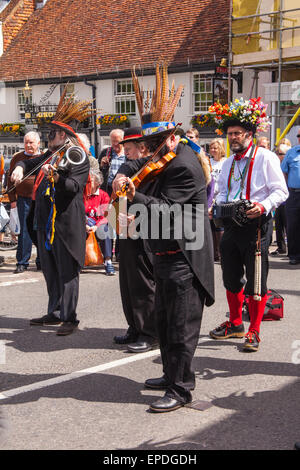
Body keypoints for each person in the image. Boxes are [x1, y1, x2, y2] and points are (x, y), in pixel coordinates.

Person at [113, 63, 214, 412]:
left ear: (174, 137)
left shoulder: (183, 165)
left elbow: (168, 209)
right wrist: (127, 175)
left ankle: (181, 388)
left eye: (157, 143)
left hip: (184, 255)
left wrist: (134, 197)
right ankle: (170, 374)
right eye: (148, 144)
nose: (151, 150)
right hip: (164, 251)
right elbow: (134, 165)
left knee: (181, 325)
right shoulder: (162, 159)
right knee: (164, 320)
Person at [208, 97, 288, 352]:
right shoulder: (227, 163)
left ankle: (253, 330)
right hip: (231, 225)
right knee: (230, 276)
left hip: (256, 226)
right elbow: (222, 192)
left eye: (237, 133)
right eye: (229, 134)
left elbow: (280, 191)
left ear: (250, 134)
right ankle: (234, 323)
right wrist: (216, 207)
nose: (232, 138)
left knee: (255, 281)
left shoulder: (266, 158)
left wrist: (262, 206)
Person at [10, 90, 92, 336]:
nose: (48, 137)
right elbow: (30, 161)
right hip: (45, 223)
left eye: (52, 133)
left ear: (63, 135)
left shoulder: (77, 157)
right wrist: (19, 167)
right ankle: (54, 312)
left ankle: (70, 317)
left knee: (67, 272)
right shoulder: (51, 154)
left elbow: (74, 187)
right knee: (50, 269)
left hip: (65, 225)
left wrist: (55, 175)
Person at [112, 127, 157, 352]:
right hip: (126, 229)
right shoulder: (129, 166)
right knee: (128, 283)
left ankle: (149, 332)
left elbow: (156, 202)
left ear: (141, 148)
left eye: (128, 149)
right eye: (124, 150)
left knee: (144, 284)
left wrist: (137, 216)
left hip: (146, 231)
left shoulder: (151, 167)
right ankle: (134, 326)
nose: (126, 154)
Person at [7, 132, 41, 273]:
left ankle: (42, 261)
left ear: (38, 143)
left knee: (40, 230)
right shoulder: (17, 158)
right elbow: (9, 180)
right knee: (24, 231)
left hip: (40, 200)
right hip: (23, 199)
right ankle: (22, 261)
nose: (28, 145)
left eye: (31, 142)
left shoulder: (44, 157)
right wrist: (13, 200)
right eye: (26, 142)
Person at [84, 170, 115, 275]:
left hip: (98, 226)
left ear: (98, 183)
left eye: (90, 181)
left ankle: (108, 261)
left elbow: (106, 216)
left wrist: (96, 227)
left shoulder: (103, 195)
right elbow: (77, 212)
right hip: (84, 225)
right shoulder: (83, 194)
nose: (87, 182)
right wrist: (85, 225)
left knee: (105, 229)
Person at [280, 128, 300, 265]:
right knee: (292, 225)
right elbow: (283, 172)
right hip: (294, 194)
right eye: (299, 135)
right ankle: (294, 255)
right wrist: (287, 189)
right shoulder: (291, 153)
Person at [270, 144, 290, 256]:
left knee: (288, 225)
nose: (278, 155)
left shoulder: (288, 165)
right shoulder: (275, 165)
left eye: (281, 154)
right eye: (277, 153)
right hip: (278, 201)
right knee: (278, 224)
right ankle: (281, 247)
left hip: (288, 199)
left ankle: (291, 249)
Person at [208, 138, 226, 261]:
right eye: (211, 148)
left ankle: (221, 252)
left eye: (215, 148)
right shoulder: (209, 162)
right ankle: (213, 253)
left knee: (219, 225)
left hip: (220, 197)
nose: (213, 150)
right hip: (210, 197)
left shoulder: (225, 162)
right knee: (210, 225)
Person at [98, 129, 126, 197]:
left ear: (123, 140)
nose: (115, 144)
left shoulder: (127, 153)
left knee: (122, 207)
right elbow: (97, 171)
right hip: (108, 189)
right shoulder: (105, 152)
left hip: (123, 189)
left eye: (118, 141)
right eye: (113, 141)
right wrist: (101, 166)